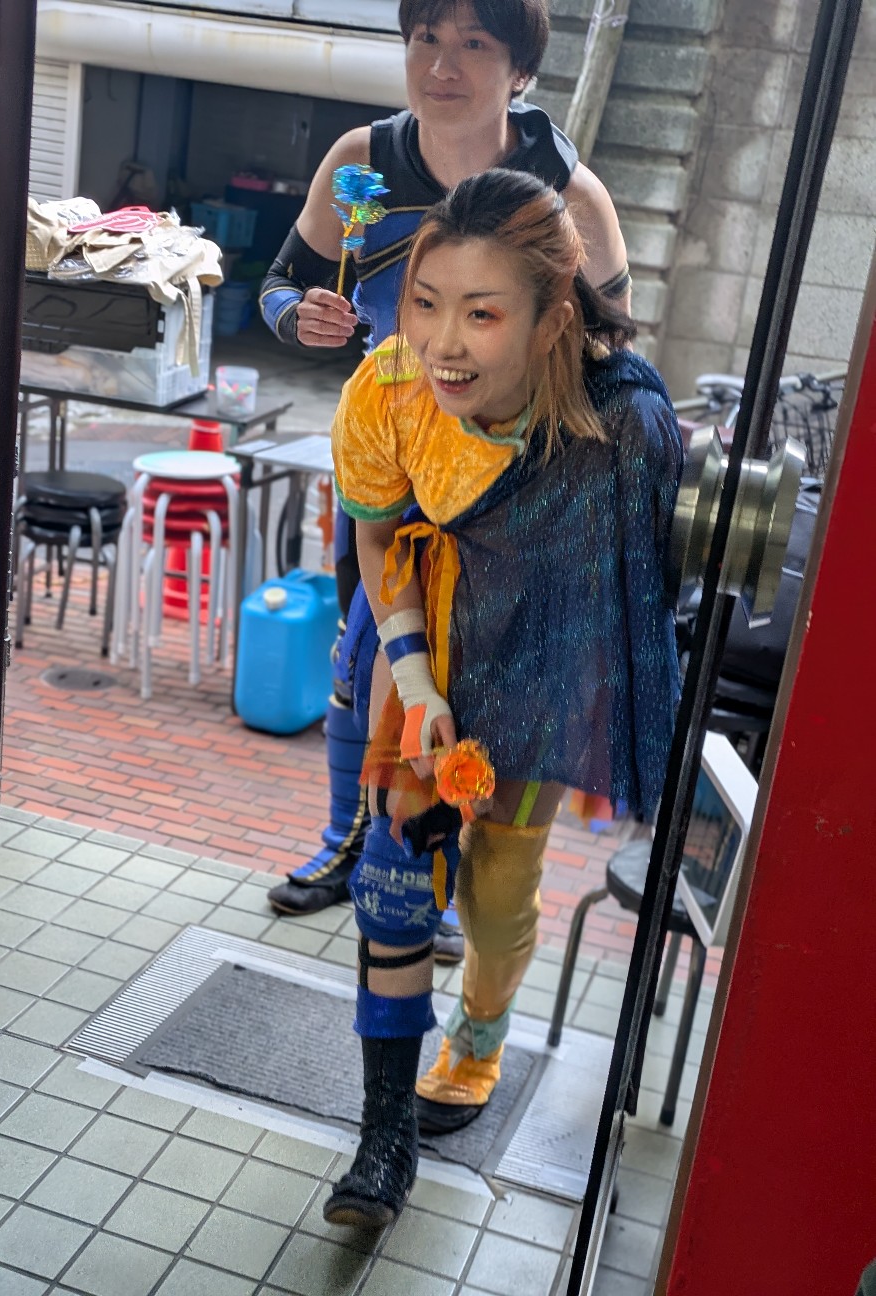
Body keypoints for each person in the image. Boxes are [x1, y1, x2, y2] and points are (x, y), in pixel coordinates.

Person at [320, 168, 682, 1226]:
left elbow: (627, 595)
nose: (443, 343)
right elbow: (377, 536)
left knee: (494, 887)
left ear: (550, 319)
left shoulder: (617, 430)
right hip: (426, 641)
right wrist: (413, 678)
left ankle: (477, 1035)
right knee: (395, 879)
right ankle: (383, 1137)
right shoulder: (388, 388)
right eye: (426, 303)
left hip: (541, 664)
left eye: (481, 314)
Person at [259, 0, 632, 939]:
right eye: (425, 38)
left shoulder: (566, 195)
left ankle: (445, 870)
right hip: (383, 468)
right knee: (362, 661)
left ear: (520, 70)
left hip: (506, 493)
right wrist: (297, 317)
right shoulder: (360, 162)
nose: (442, 65)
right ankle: (350, 844)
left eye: (473, 44)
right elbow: (276, 282)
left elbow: (617, 357)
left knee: (473, 690)